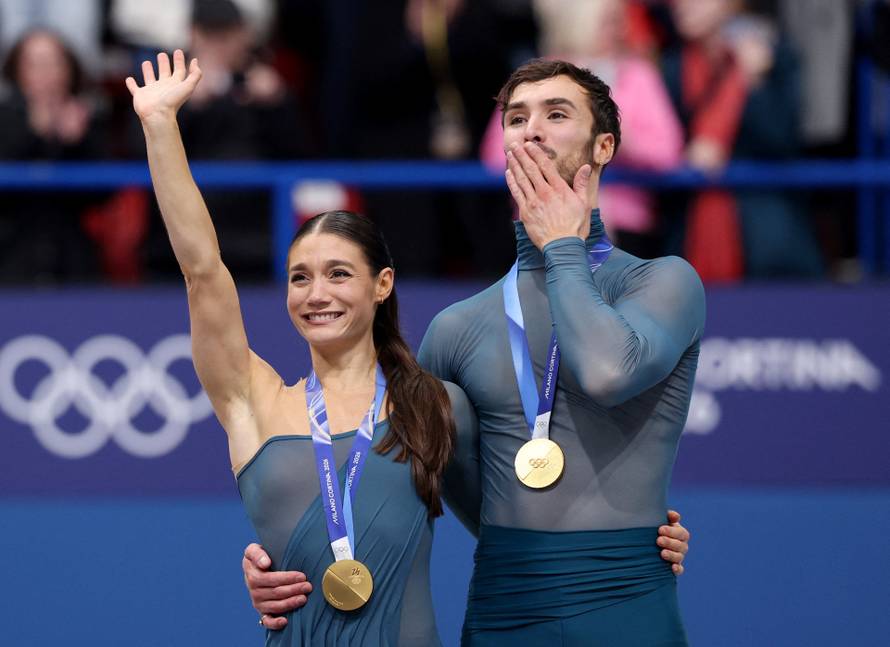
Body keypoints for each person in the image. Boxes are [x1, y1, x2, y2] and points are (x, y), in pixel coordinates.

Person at [246, 58, 701, 645]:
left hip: (626, 601)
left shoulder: (663, 282)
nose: (531, 130)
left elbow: (608, 370)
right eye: (516, 118)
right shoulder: (458, 328)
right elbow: (381, 480)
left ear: (604, 145)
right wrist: (280, 562)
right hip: (502, 610)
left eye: (556, 114)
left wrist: (562, 243)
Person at [127, 49, 480, 645]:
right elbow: (202, 269)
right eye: (300, 277)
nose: (317, 294)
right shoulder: (251, 401)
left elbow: (520, 522)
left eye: (339, 274)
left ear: (381, 285)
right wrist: (160, 127)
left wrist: (644, 535)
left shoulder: (437, 404)